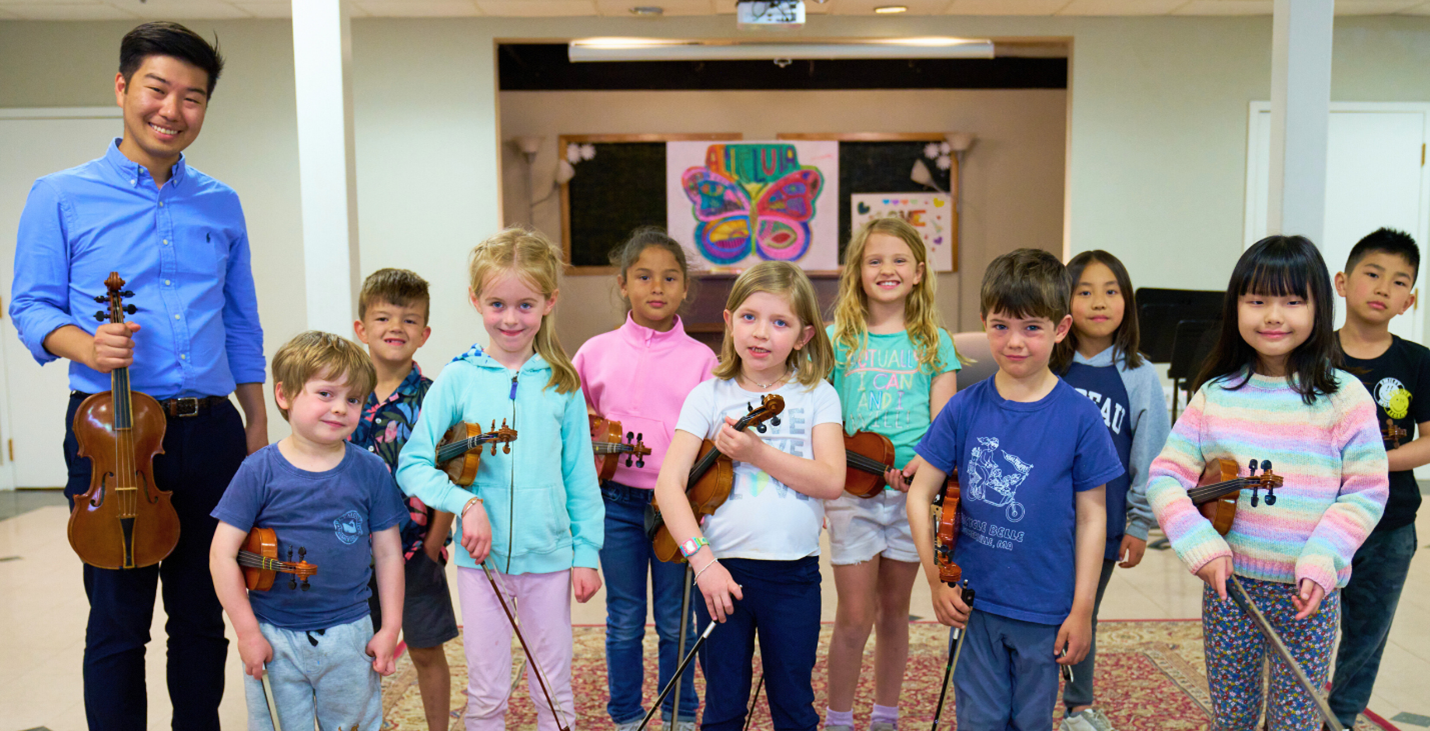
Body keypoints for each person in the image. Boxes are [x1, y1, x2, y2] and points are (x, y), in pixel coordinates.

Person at [9, 21, 267, 731]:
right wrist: (87, 346)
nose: (172, 110)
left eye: (193, 97)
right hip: (112, 434)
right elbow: (30, 305)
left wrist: (257, 426)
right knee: (120, 621)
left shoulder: (221, 201)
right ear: (123, 87)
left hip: (212, 429)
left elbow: (242, 322)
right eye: (158, 89)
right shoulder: (59, 194)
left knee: (203, 615)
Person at [1145, 235, 1388, 730]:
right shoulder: (1215, 394)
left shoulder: (1345, 398)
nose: (1273, 316)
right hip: (1230, 587)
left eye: (1292, 301)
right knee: (1232, 715)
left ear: (1319, 306)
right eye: (1257, 301)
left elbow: (1366, 491)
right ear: (1236, 306)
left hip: (1309, 595)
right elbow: (1165, 477)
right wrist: (1200, 544)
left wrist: (1322, 560)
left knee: (1294, 719)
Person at [396, 228, 603, 731]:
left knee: (553, 689)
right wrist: (467, 504)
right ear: (475, 301)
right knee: (486, 691)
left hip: (550, 559)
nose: (510, 319)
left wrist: (585, 552)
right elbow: (413, 464)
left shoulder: (562, 384)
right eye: (497, 304)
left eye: (525, 305)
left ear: (549, 302)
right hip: (479, 564)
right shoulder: (457, 379)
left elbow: (580, 478)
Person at [907, 248, 1121, 731]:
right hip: (974, 604)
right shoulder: (962, 409)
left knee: (1031, 721)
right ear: (983, 321)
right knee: (979, 721)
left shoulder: (1081, 417)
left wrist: (1082, 608)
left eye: (1032, 328)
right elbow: (919, 495)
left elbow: (1093, 518)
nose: (1015, 342)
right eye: (1001, 326)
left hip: (1045, 606)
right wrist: (936, 577)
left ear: (1061, 329)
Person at [654, 260, 845, 731]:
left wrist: (758, 453)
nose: (762, 333)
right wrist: (702, 563)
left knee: (794, 705)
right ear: (729, 320)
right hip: (721, 573)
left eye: (780, 322)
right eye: (750, 317)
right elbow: (668, 486)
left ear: (802, 336)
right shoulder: (708, 396)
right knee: (723, 707)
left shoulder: (818, 394)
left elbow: (830, 480)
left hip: (794, 576)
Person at [209, 331, 405, 731]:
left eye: (353, 399)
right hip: (273, 633)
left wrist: (389, 628)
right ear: (284, 395)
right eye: (326, 394)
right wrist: (247, 633)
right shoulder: (258, 471)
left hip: (350, 632)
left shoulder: (370, 470)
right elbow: (222, 554)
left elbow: (388, 555)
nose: (340, 409)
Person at [573, 227, 718, 731]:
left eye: (670, 277)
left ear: (684, 289)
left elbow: (709, 443)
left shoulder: (703, 360)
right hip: (613, 503)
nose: (657, 287)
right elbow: (576, 425)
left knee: (678, 620)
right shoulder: (593, 352)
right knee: (625, 619)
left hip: (675, 508)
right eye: (644, 276)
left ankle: (680, 714)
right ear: (623, 284)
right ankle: (626, 716)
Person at [823, 218, 960, 731]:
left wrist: (923, 466)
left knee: (895, 613)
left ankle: (885, 716)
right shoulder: (838, 340)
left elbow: (942, 423)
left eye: (899, 260)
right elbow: (823, 420)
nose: (887, 269)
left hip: (910, 499)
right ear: (857, 272)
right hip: (853, 495)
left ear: (919, 272)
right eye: (874, 260)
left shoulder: (935, 341)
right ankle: (838, 718)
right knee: (854, 617)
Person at [1052, 250, 1169, 731]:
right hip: (1042, 520)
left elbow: (1151, 456)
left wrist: (1139, 523)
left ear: (1127, 301)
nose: (1099, 302)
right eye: (1084, 291)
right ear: (1064, 302)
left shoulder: (1139, 376)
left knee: (1083, 610)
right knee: (1040, 610)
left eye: (1111, 291)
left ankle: (1079, 705)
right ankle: (1035, 694)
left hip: (1104, 524)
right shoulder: (1049, 364)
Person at [349, 268, 457, 731]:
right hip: (349, 550)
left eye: (410, 320)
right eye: (383, 318)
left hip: (415, 548)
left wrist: (435, 540)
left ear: (425, 334)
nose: (396, 328)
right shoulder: (343, 393)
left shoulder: (435, 398)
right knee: (353, 652)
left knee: (426, 649)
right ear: (361, 329)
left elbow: (454, 472)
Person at [1328, 228, 1428, 728]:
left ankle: (1339, 718)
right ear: (1343, 282)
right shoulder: (1312, 353)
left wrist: (1372, 461)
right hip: (1315, 518)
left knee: (1367, 636)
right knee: (1306, 629)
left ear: (1409, 301)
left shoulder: (1417, 361)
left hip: (1390, 525)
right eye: (1372, 274)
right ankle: (1292, 711)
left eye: (1398, 282)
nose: (1383, 287)